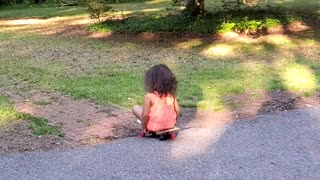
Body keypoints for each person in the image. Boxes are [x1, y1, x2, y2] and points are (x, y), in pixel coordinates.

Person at [132, 64, 180, 134]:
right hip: (171, 125)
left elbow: (145, 115)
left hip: (154, 127)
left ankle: (151, 126)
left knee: (135, 108)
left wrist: (143, 128)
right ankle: (167, 126)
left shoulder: (149, 96)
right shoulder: (171, 95)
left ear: (151, 81)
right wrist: (173, 122)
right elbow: (177, 110)